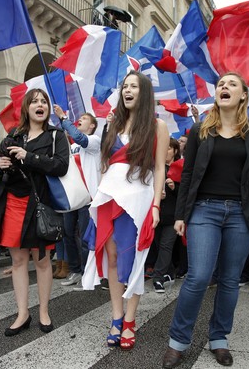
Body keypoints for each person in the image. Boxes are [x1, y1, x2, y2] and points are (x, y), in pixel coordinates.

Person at [162, 72, 249, 368]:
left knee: (229, 279)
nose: (224, 87)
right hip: (204, 210)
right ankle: (178, 341)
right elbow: (187, 176)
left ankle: (219, 338)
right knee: (198, 277)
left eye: (232, 84)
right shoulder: (200, 130)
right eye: (221, 84)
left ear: (242, 95)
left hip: (242, 213)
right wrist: (181, 215)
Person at [82, 71, 169, 350]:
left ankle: (130, 321)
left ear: (144, 93)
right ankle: (116, 318)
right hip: (109, 195)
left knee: (132, 260)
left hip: (138, 199)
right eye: (125, 86)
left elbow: (159, 168)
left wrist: (156, 204)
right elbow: (105, 165)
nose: (128, 90)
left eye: (134, 86)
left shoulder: (157, 126)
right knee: (112, 256)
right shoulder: (112, 126)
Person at [0, 88, 69, 336]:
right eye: (34, 101)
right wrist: (0, 164)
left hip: (39, 205)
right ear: (26, 108)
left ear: (48, 109)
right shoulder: (14, 135)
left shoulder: (56, 135)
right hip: (13, 203)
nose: (40, 105)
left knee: (42, 260)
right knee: (18, 260)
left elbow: (61, 166)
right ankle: (22, 313)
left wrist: (29, 156)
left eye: (44, 101)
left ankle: (44, 311)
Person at [53, 106, 101, 288]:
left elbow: (79, 137)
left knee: (84, 237)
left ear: (92, 125)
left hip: (87, 199)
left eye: (84, 118)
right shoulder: (71, 147)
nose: (79, 119)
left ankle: (87, 274)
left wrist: (64, 118)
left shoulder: (94, 141)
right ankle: (75, 270)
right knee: (67, 234)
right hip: (71, 198)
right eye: (79, 117)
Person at [151, 137, 181, 293]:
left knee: (166, 246)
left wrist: (174, 187)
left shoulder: (180, 168)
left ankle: (158, 278)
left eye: (169, 148)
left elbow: (187, 194)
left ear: (175, 151)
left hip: (173, 217)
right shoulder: (154, 168)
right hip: (156, 216)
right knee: (158, 246)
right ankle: (169, 272)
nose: (166, 150)